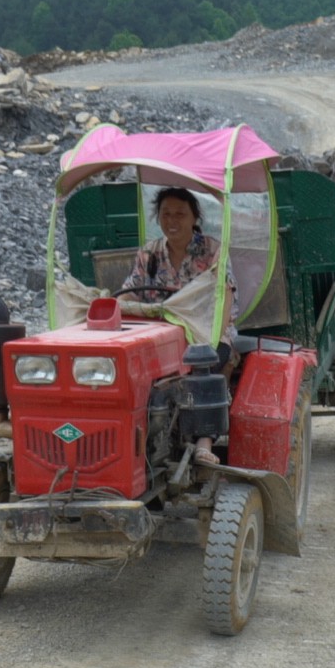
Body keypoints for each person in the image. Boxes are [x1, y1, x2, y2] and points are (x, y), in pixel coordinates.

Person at [121, 187, 237, 465]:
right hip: (160, 336)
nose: (172, 221)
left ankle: (204, 442)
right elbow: (129, 292)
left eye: (180, 214)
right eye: (166, 214)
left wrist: (211, 339)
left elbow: (225, 295)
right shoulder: (149, 253)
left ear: (194, 217)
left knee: (204, 366)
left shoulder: (212, 250)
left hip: (204, 332)